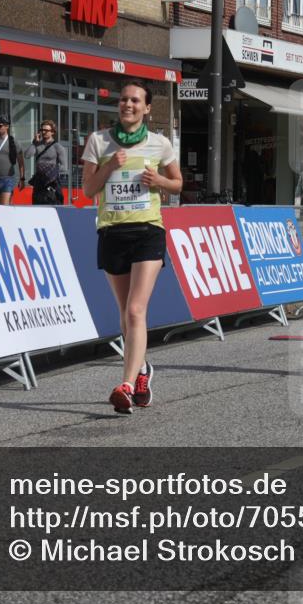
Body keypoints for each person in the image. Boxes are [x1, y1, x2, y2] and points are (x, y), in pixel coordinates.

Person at [81, 79, 182, 414]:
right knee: (125, 315)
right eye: (124, 100)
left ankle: (124, 385)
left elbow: (178, 184)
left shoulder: (159, 144)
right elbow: (87, 190)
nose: (128, 105)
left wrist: (160, 182)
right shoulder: (98, 141)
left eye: (136, 101)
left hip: (148, 231)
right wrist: (111, 166)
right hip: (112, 232)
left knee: (136, 310)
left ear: (147, 108)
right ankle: (142, 370)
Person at [24, 119, 68, 206]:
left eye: (46, 130)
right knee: (37, 208)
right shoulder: (38, 145)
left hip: (52, 183)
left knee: (51, 207)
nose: (43, 132)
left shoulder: (58, 147)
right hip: (39, 183)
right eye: (42, 130)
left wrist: (51, 171)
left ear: (52, 132)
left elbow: (64, 167)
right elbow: (27, 155)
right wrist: (34, 143)